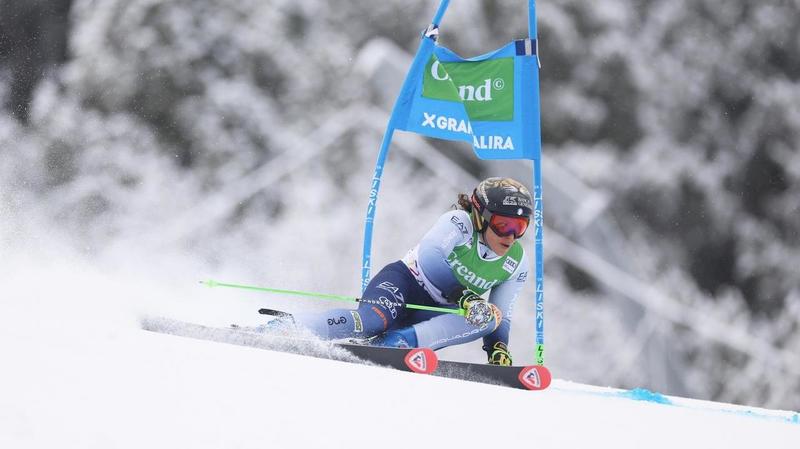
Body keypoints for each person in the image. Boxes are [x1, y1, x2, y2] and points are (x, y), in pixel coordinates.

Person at [268, 177, 532, 366]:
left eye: (519, 227)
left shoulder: (517, 261)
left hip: (438, 309)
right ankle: (286, 326)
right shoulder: (459, 224)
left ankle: (397, 344)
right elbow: (430, 256)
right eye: (502, 224)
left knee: (490, 317)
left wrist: (498, 348)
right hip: (405, 284)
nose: (510, 236)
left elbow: (503, 314)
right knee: (371, 321)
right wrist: (464, 295)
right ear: (480, 216)